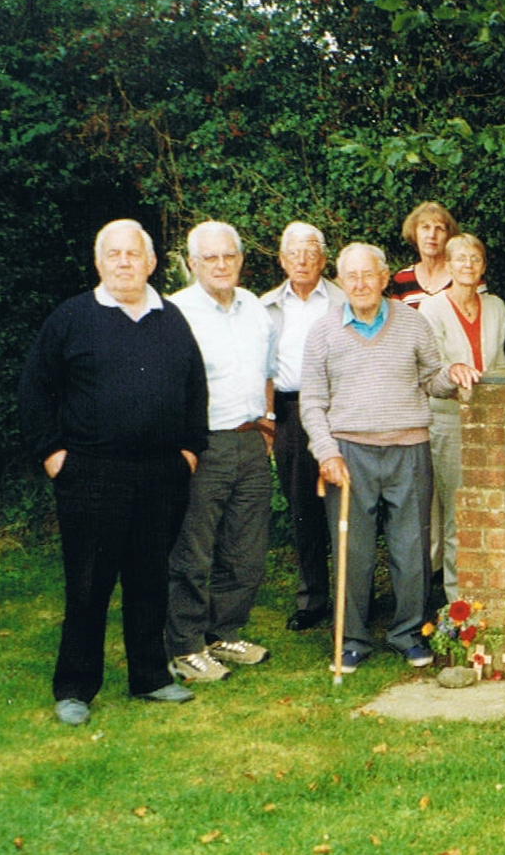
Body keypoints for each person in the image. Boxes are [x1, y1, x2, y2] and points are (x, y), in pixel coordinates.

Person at [20, 219, 206, 724]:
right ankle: (76, 687)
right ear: (98, 262)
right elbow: (35, 390)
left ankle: (151, 678)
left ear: (150, 263)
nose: (124, 262)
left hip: (161, 475)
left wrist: (190, 450)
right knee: (89, 584)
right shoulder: (72, 318)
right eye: (114, 254)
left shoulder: (170, 318)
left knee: (150, 580)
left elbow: (194, 387)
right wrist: (53, 453)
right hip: (91, 476)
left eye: (133, 254)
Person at [301, 243, 481, 673]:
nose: (361, 283)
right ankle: (353, 639)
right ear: (341, 282)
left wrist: (454, 374)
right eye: (352, 276)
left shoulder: (414, 323)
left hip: (409, 448)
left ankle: (408, 634)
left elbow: (431, 380)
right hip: (349, 452)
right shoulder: (322, 331)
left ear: (385, 279)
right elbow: (311, 401)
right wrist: (326, 452)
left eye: (369, 275)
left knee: (412, 548)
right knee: (353, 550)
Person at [166, 220, 278, 682]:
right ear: (192, 264)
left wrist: (268, 425)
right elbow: (165, 387)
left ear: (240, 259)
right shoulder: (175, 313)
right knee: (193, 552)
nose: (220, 265)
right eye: (209, 257)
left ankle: (225, 632)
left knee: (246, 549)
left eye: (228, 256)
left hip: (250, 440)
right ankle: (185, 646)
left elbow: (268, 373)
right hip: (202, 445)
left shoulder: (255, 308)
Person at [260, 222, 347, 632]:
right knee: (303, 510)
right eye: (293, 253)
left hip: (343, 411)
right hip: (292, 414)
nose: (302, 260)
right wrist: (267, 419)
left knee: (347, 507)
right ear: (281, 260)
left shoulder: (345, 300)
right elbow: (261, 369)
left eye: (311, 252)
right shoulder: (265, 308)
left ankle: (353, 598)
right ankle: (313, 598)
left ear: (324, 260)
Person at [419, 234, 505, 602]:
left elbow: (500, 363)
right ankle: (457, 602)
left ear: (484, 265)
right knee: (457, 511)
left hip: (491, 421)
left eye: (475, 258)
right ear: (447, 265)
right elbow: (433, 369)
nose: (468, 265)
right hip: (448, 421)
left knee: (490, 506)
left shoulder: (498, 307)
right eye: (460, 259)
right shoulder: (431, 308)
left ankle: (491, 590)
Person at [387, 201, 477, 307]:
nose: (432, 235)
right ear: (414, 233)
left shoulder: (465, 275)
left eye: (439, 228)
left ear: (449, 236)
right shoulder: (402, 279)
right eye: (425, 227)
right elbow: (397, 321)